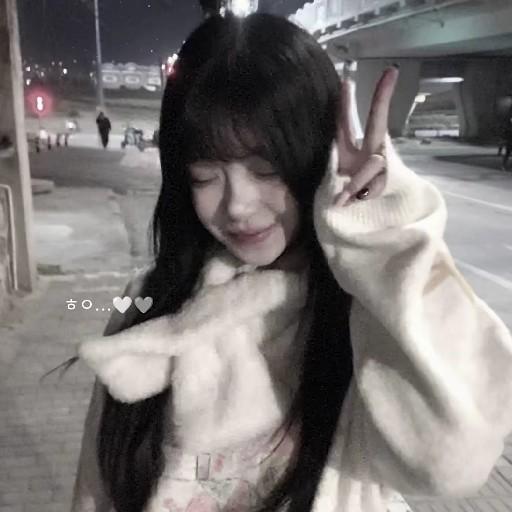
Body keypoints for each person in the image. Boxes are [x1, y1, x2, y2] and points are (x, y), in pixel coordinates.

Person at [65, 12, 512, 512]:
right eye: (205, 175)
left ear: (317, 157)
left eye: (266, 169)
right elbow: (95, 488)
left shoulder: (361, 315)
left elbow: (453, 461)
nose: (237, 205)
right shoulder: (146, 301)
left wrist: (383, 239)